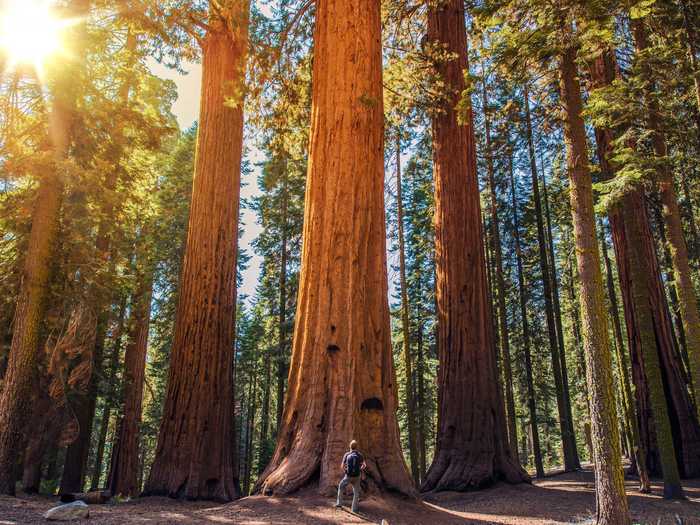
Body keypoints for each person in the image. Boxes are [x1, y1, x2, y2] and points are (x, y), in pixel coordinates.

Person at [335, 440, 366, 512]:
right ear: (356, 447)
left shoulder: (347, 454)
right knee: (356, 492)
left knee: (341, 486)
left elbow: (342, 466)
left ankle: (339, 504)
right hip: (357, 476)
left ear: (350, 446)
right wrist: (360, 469)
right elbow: (364, 465)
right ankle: (354, 509)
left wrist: (345, 471)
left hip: (348, 476)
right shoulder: (360, 455)